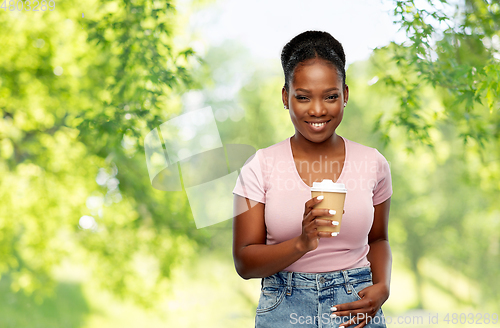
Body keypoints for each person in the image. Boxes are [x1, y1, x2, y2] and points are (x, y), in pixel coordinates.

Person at [232, 30, 392, 328]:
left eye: (330, 96)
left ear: (345, 94)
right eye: (303, 97)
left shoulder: (373, 163)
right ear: (285, 96)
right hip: (284, 307)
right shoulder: (260, 167)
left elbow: (379, 239)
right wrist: (302, 242)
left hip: (354, 306)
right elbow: (244, 262)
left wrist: (382, 287)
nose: (317, 110)